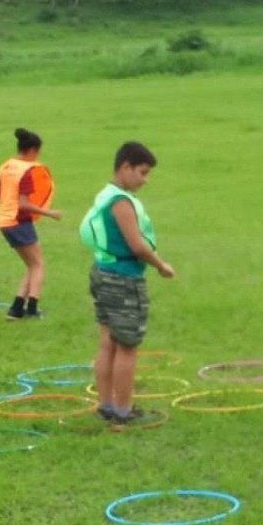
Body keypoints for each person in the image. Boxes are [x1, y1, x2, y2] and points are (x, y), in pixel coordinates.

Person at [78, 142, 175, 424]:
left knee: (108, 341)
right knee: (127, 345)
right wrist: (161, 265)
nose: (145, 180)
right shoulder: (120, 201)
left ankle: (107, 405)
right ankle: (122, 409)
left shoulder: (105, 195)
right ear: (125, 167)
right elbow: (137, 245)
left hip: (103, 273)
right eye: (142, 173)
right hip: (122, 279)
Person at [0, 127, 62, 320]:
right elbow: (23, 204)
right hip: (19, 221)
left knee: (31, 265)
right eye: (38, 153)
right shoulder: (27, 171)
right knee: (38, 264)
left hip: (4, 222)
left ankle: (16, 309)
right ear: (32, 150)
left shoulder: (5, 166)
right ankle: (32, 309)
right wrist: (50, 213)